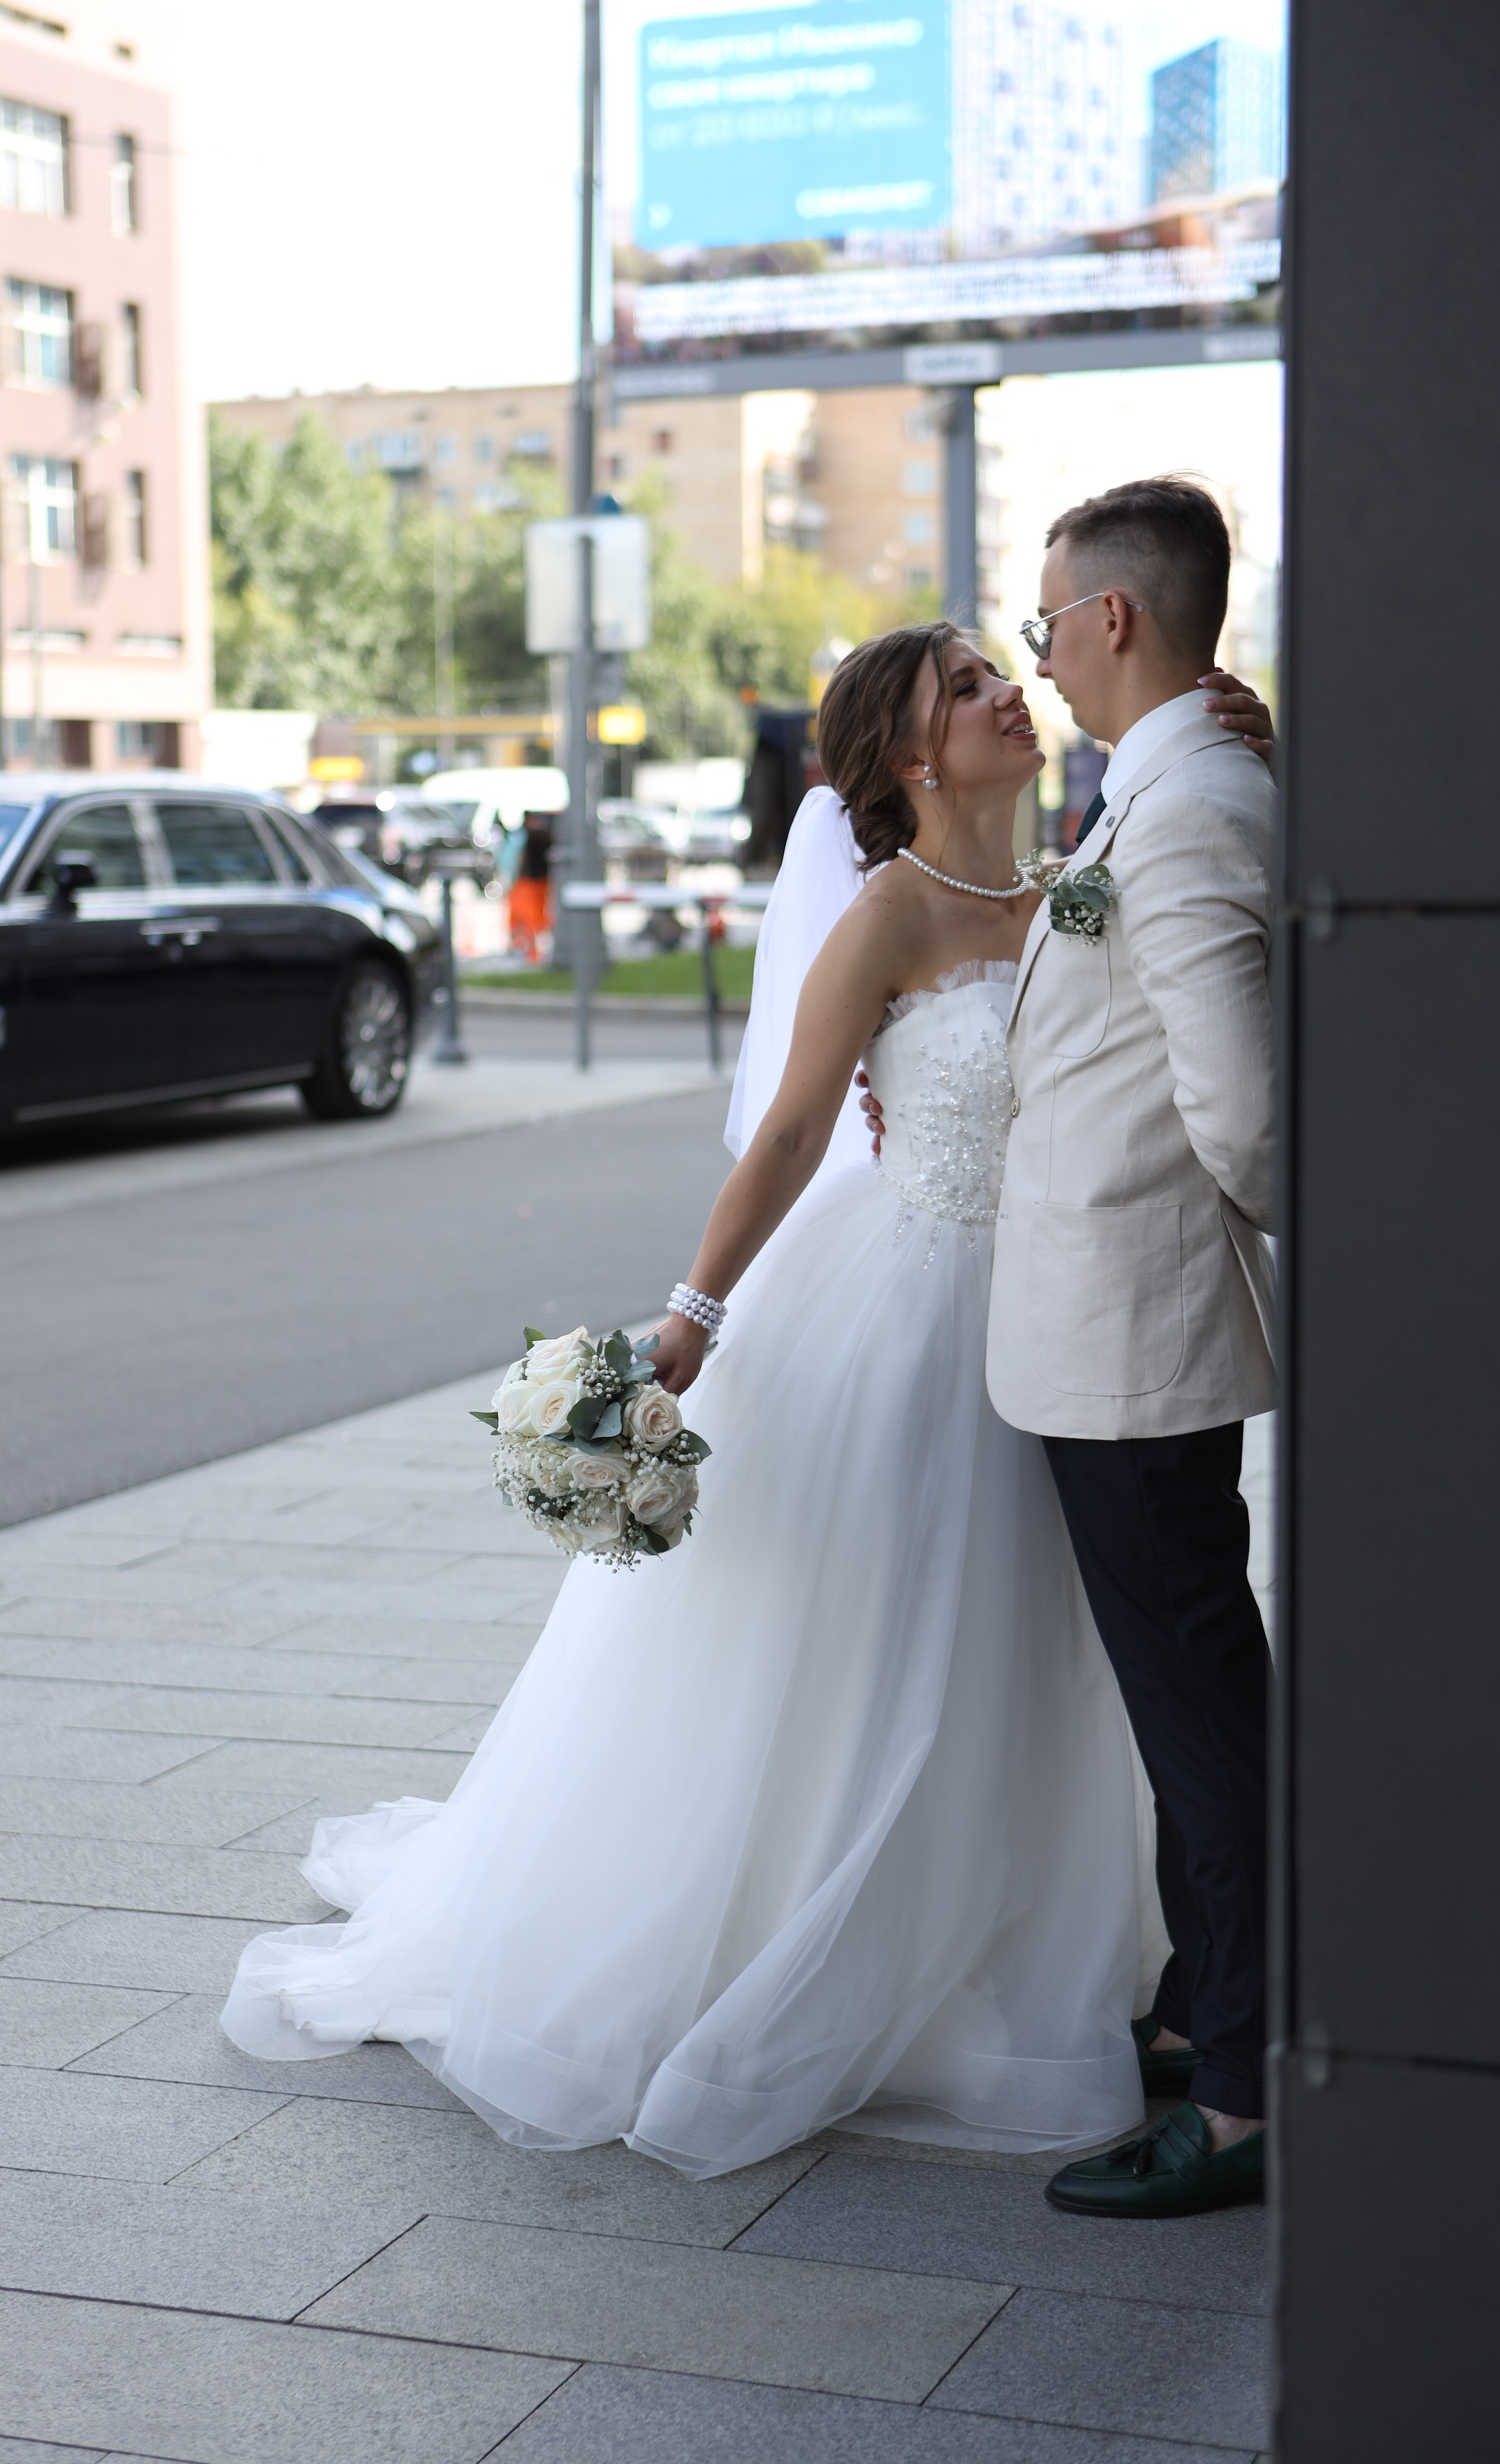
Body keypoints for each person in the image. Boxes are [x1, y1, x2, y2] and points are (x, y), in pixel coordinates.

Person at [221, 620, 1169, 2177]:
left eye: (1005, 667)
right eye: (967, 686)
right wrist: (694, 1316)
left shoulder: (1080, 881)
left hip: (1053, 1313)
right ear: (915, 756)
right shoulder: (885, 913)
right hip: (910, 1309)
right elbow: (793, 1132)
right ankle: (832, 1942)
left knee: (1028, 1633)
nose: (1010, 691)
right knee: (894, 1635)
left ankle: (1019, 1940)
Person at [863, 478, 1277, 2219]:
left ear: (1114, 620)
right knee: (1190, 1696)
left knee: (1198, 1716)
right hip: (1106, 1336)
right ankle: (1211, 2005)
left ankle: (1251, 2092)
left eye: (1040, 627)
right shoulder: (1169, 781)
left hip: (1136, 1337)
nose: (1033, 660)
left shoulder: (1182, 807)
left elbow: (1246, 1113)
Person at [506, 809, 554, 963]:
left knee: (528, 916)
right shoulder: (545, 834)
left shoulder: (529, 837)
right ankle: (532, 949)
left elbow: (522, 859)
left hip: (530, 882)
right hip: (543, 882)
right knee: (538, 916)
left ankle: (530, 951)